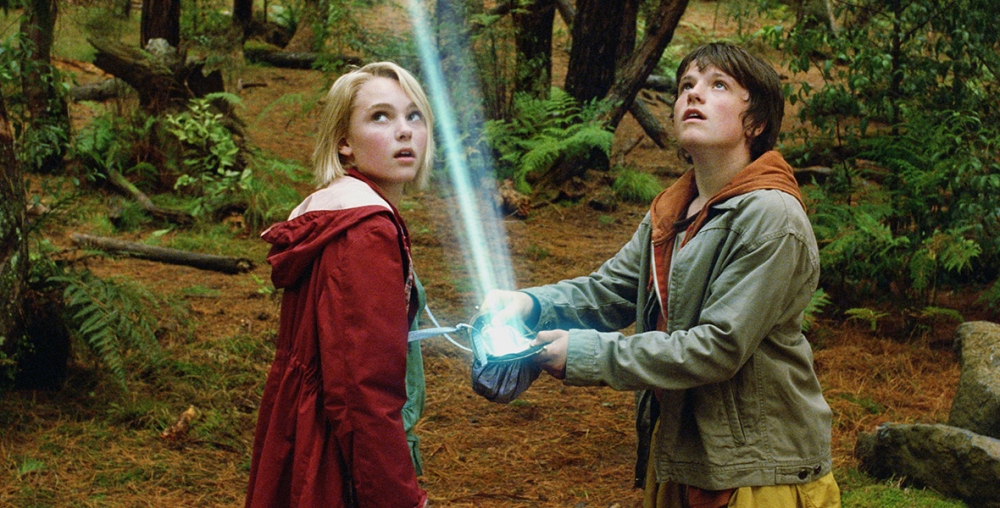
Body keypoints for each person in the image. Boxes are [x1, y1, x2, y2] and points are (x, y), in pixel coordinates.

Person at [481, 42, 841, 508]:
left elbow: (718, 348)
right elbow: (609, 291)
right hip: (681, 457)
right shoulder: (672, 211)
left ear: (755, 122)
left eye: (718, 85)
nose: (694, 94)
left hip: (757, 471)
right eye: (686, 85)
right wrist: (531, 304)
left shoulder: (771, 216)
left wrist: (585, 354)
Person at [245, 61, 434, 508]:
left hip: (306, 438)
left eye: (414, 116)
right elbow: (362, 394)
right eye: (380, 116)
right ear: (343, 142)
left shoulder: (343, 216)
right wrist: (399, 500)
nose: (404, 131)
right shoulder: (365, 233)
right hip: (333, 462)